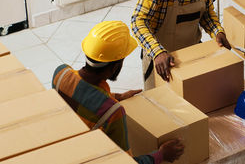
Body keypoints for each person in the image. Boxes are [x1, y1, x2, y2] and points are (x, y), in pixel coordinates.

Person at [52, 21, 184, 164]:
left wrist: (118, 97)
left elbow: (81, 93)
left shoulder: (60, 73)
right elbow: (125, 162)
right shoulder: (113, 112)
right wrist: (162, 155)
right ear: (115, 67)